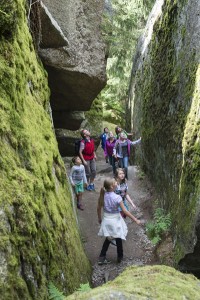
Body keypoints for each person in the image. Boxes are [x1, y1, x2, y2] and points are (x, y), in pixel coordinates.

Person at [97, 177, 143, 265]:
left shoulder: (103, 195)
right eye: (115, 182)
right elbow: (125, 211)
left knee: (108, 238)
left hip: (106, 219)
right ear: (111, 186)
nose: (117, 183)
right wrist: (135, 219)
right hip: (115, 219)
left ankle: (102, 257)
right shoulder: (117, 197)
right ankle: (120, 257)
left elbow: (98, 208)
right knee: (118, 237)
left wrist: (99, 218)